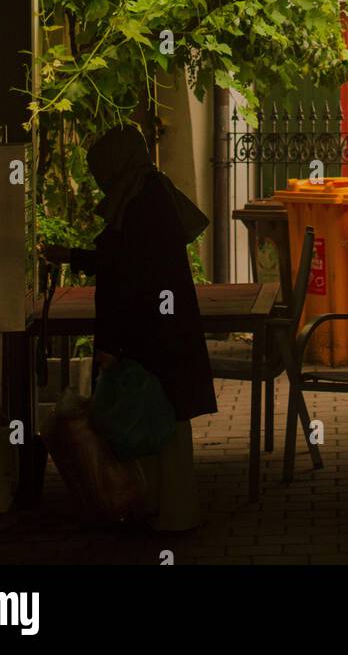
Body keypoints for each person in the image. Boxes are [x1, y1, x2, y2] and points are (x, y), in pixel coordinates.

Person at [42, 125, 217, 533]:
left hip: (152, 333)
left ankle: (172, 512)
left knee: (161, 419)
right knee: (160, 418)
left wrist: (115, 343)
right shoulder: (144, 194)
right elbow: (122, 262)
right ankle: (160, 506)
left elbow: (127, 274)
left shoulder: (140, 203)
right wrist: (74, 256)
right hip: (160, 329)